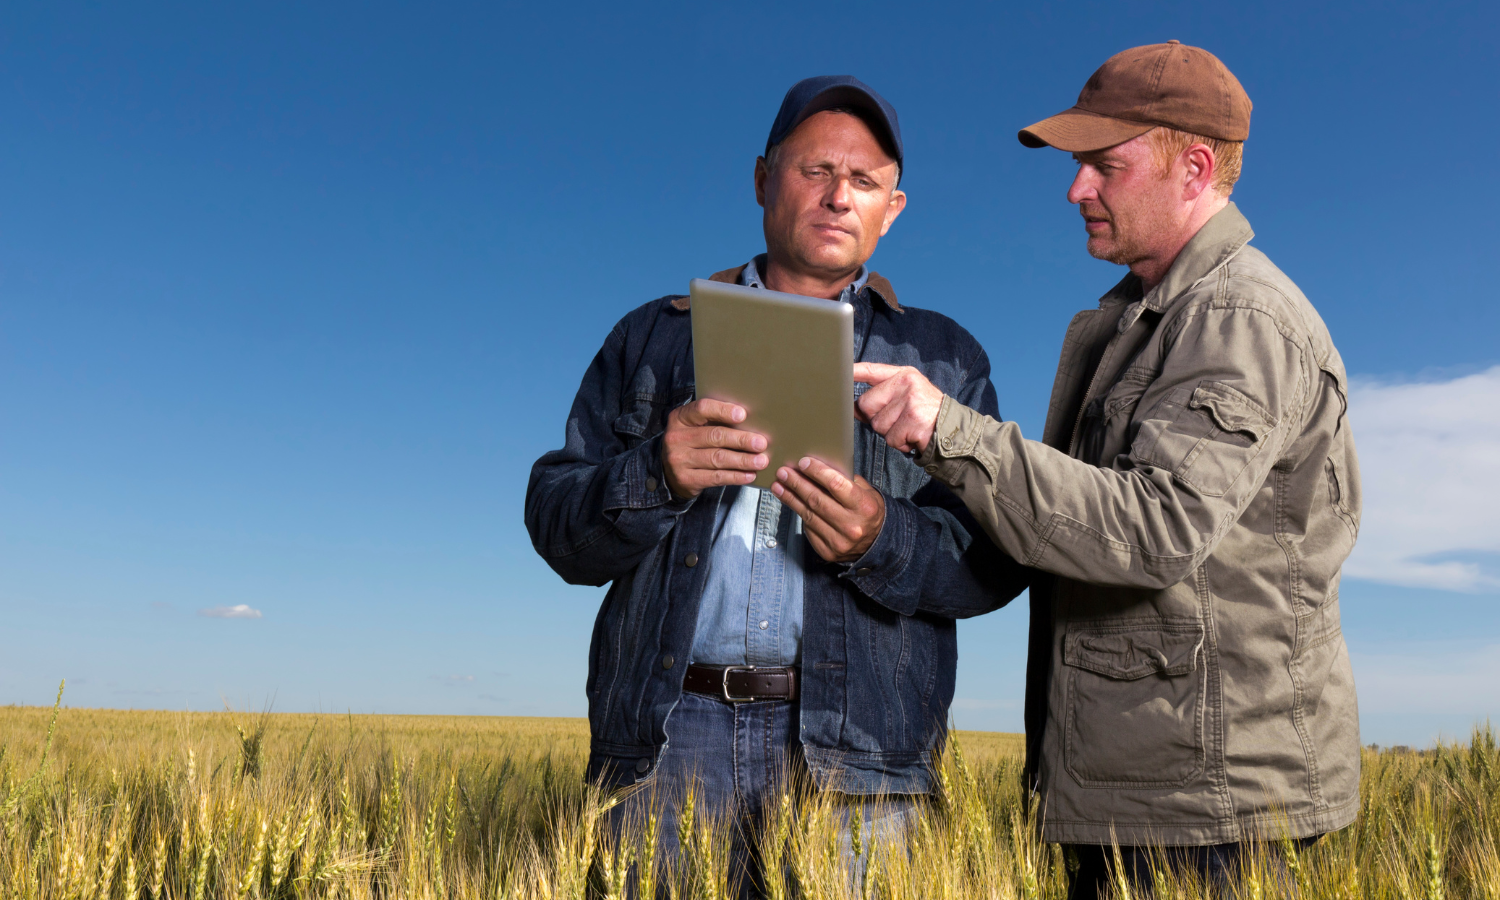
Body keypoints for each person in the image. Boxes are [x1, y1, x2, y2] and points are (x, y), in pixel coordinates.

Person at [852, 42, 1361, 897]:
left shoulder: (1238, 317)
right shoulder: (1154, 318)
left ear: (1194, 166)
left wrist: (950, 429)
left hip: (1205, 817)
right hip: (1155, 793)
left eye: (1102, 165)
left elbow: (1155, 530)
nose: (1075, 189)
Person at [525, 75, 1028, 895]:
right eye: (814, 170)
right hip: (667, 739)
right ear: (763, 179)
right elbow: (556, 525)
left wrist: (882, 540)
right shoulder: (652, 338)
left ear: (892, 208)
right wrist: (655, 473)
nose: (838, 197)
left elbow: (995, 561)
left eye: (864, 182)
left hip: (860, 763)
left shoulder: (945, 359)